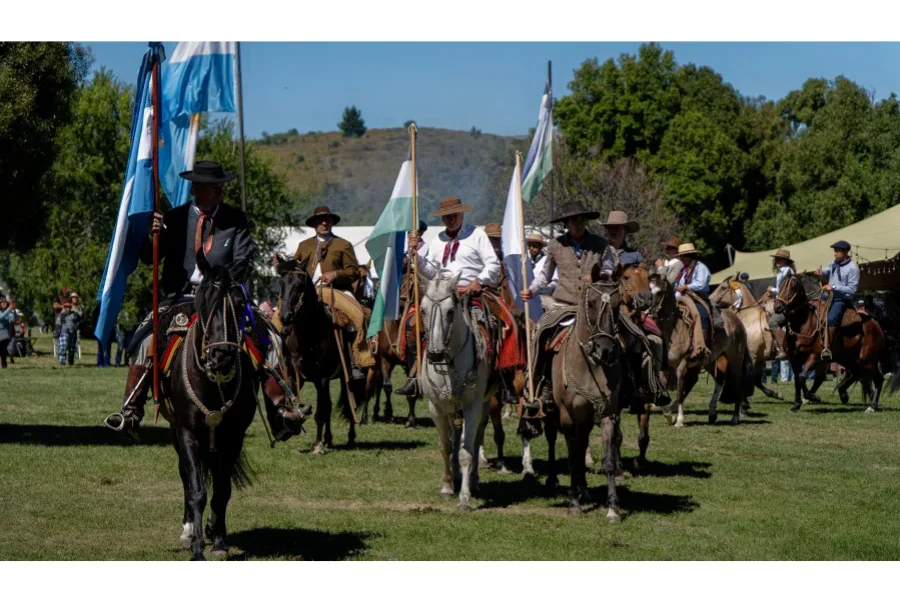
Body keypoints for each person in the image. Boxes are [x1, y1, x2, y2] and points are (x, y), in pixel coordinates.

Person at [107, 161, 306, 437]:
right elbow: (147, 258)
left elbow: (244, 260)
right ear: (196, 188)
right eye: (212, 188)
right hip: (181, 297)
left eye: (220, 187)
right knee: (145, 340)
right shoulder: (173, 219)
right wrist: (153, 235)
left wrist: (220, 281)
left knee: (269, 337)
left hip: (223, 297)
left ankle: (280, 410)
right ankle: (131, 410)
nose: (218, 192)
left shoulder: (236, 220)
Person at [395, 197, 500, 396]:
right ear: (442, 218)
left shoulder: (476, 235)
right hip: (442, 296)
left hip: (472, 293)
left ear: (462, 214)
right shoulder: (437, 241)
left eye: (455, 215)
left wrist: (479, 281)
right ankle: (416, 375)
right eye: (447, 216)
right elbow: (432, 273)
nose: (451, 219)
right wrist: (417, 257)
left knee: (499, 325)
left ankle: (501, 376)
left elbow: (493, 264)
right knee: (414, 325)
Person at [521, 201, 617, 409]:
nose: (580, 224)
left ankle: (633, 384)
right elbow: (545, 275)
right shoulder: (555, 245)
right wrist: (532, 289)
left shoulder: (600, 244)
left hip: (595, 305)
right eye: (575, 220)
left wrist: (597, 276)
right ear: (567, 223)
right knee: (540, 333)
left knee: (624, 329)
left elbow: (609, 270)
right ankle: (542, 384)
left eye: (583, 220)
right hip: (564, 305)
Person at [278, 205, 374, 382]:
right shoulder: (304, 245)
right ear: (314, 224)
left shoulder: (343, 245)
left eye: (327, 220)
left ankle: (356, 361)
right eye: (320, 220)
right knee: (279, 316)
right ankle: (280, 360)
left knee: (356, 316)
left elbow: (353, 271)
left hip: (336, 290)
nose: (324, 223)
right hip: (307, 293)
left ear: (331, 222)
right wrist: (282, 265)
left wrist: (335, 274)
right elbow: (294, 269)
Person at [814, 240, 860, 361]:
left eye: (837, 251)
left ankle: (828, 347)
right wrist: (820, 272)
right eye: (834, 251)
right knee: (812, 310)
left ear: (845, 252)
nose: (834, 254)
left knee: (831, 318)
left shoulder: (853, 268)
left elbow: (852, 289)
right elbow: (826, 270)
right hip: (827, 297)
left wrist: (833, 287)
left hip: (841, 300)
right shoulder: (834, 263)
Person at [673, 243, 714, 362]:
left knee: (702, 315)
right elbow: (678, 286)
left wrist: (686, 286)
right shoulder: (683, 270)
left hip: (698, 298)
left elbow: (701, 284)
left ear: (689, 256)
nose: (680, 259)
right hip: (683, 298)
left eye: (682, 256)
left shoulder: (700, 267)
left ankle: (702, 346)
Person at [766, 248, 796, 360]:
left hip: (787, 305)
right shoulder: (782, 271)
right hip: (781, 302)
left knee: (773, 322)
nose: (777, 261)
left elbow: (786, 290)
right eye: (776, 259)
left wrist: (773, 289)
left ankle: (783, 348)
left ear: (786, 261)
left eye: (780, 259)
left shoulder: (787, 271)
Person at [57, 300, 80, 366]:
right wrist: (57, 332)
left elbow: (80, 319)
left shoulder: (75, 314)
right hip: (63, 333)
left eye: (69, 307)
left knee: (72, 348)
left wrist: (77, 326)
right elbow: (58, 324)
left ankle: (71, 361)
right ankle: (62, 361)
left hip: (73, 333)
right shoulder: (61, 315)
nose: (68, 308)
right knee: (63, 347)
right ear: (64, 307)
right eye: (66, 307)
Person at [0, 296, 14, 369]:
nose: (4, 304)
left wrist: (13, 310)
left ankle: (4, 365)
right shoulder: (3, 312)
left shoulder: (8, 312)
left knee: (3, 351)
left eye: (5, 302)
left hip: (5, 334)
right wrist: (9, 309)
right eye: (3, 303)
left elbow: (12, 319)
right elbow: (1, 317)